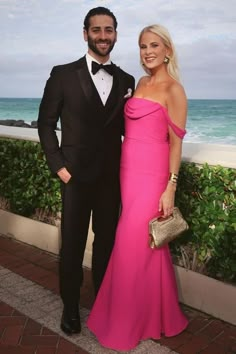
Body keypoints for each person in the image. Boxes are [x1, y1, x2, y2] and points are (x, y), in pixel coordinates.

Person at [87, 24, 188, 351]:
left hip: (153, 175)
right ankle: (159, 314)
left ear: (167, 50)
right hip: (127, 173)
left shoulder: (174, 90)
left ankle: (126, 321)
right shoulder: (140, 83)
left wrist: (170, 186)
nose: (148, 51)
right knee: (148, 246)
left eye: (154, 45)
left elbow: (175, 144)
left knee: (131, 240)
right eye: (143, 46)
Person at [37, 7, 135, 336]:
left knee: (107, 244)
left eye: (109, 30)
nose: (103, 36)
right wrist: (60, 168)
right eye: (97, 30)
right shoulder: (62, 74)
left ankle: (103, 304)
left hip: (111, 180)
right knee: (73, 245)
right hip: (75, 178)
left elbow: (128, 128)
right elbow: (46, 124)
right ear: (85, 34)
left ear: (116, 35)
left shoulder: (126, 80)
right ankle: (70, 307)